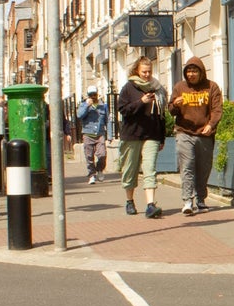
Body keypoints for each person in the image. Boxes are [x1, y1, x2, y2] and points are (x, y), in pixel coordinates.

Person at [168, 57, 223, 216]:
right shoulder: (180, 87)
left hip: (205, 134)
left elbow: (217, 109)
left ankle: (200, 199)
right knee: (187, 166)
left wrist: (211, 125)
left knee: (203, 168)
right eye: (189, 71)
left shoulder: (211, 87)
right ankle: (187, 201)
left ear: (201, 72)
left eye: (194, 71)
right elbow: (171, 110)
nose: (191, 74)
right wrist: (175, 105)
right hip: (184, 132)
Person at [117, 56, 168, 219]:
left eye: (149, 72)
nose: (147, 75)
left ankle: (150, 205)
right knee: (130, 169)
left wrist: (162, 137)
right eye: (144, 72)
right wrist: (141, 101)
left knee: (149, 168)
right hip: (132, 135)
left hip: (152, 134)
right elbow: (123, 110)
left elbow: (161, 115)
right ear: (137, 71)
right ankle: (129, 201)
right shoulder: (128, 88)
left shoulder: (157, 88)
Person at [76, 86, 109, 184]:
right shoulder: (83, 105)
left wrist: (110, 135)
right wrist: (87, 105)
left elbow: (108, 120)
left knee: (102, 154)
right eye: (91, 95)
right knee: (89, 156)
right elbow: (79, 115)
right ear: (88, 95)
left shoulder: (103, 105)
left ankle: (99, 169)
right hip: (88, 133)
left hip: (100, 133)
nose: (93, 96)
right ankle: (91, 175)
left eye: (94, 94)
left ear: (97, 94)